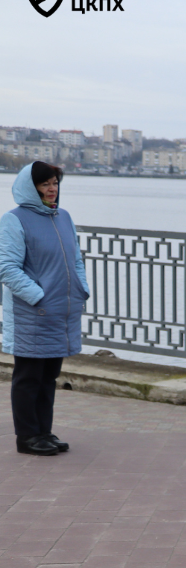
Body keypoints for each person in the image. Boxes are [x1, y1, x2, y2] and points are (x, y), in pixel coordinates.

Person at [0, 162, 89, 456]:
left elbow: (76, 259)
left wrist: (81, 289)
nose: (52, 190)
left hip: (60, 313)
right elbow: (7, 268)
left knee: (49, 376)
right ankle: (27, 437)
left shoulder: (63, 217)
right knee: (28, 377)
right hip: (33, 313)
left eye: (55, 183)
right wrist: (39, 297)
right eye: (45, 185)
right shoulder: (14, 220)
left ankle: (44, 432)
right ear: (31, 187)